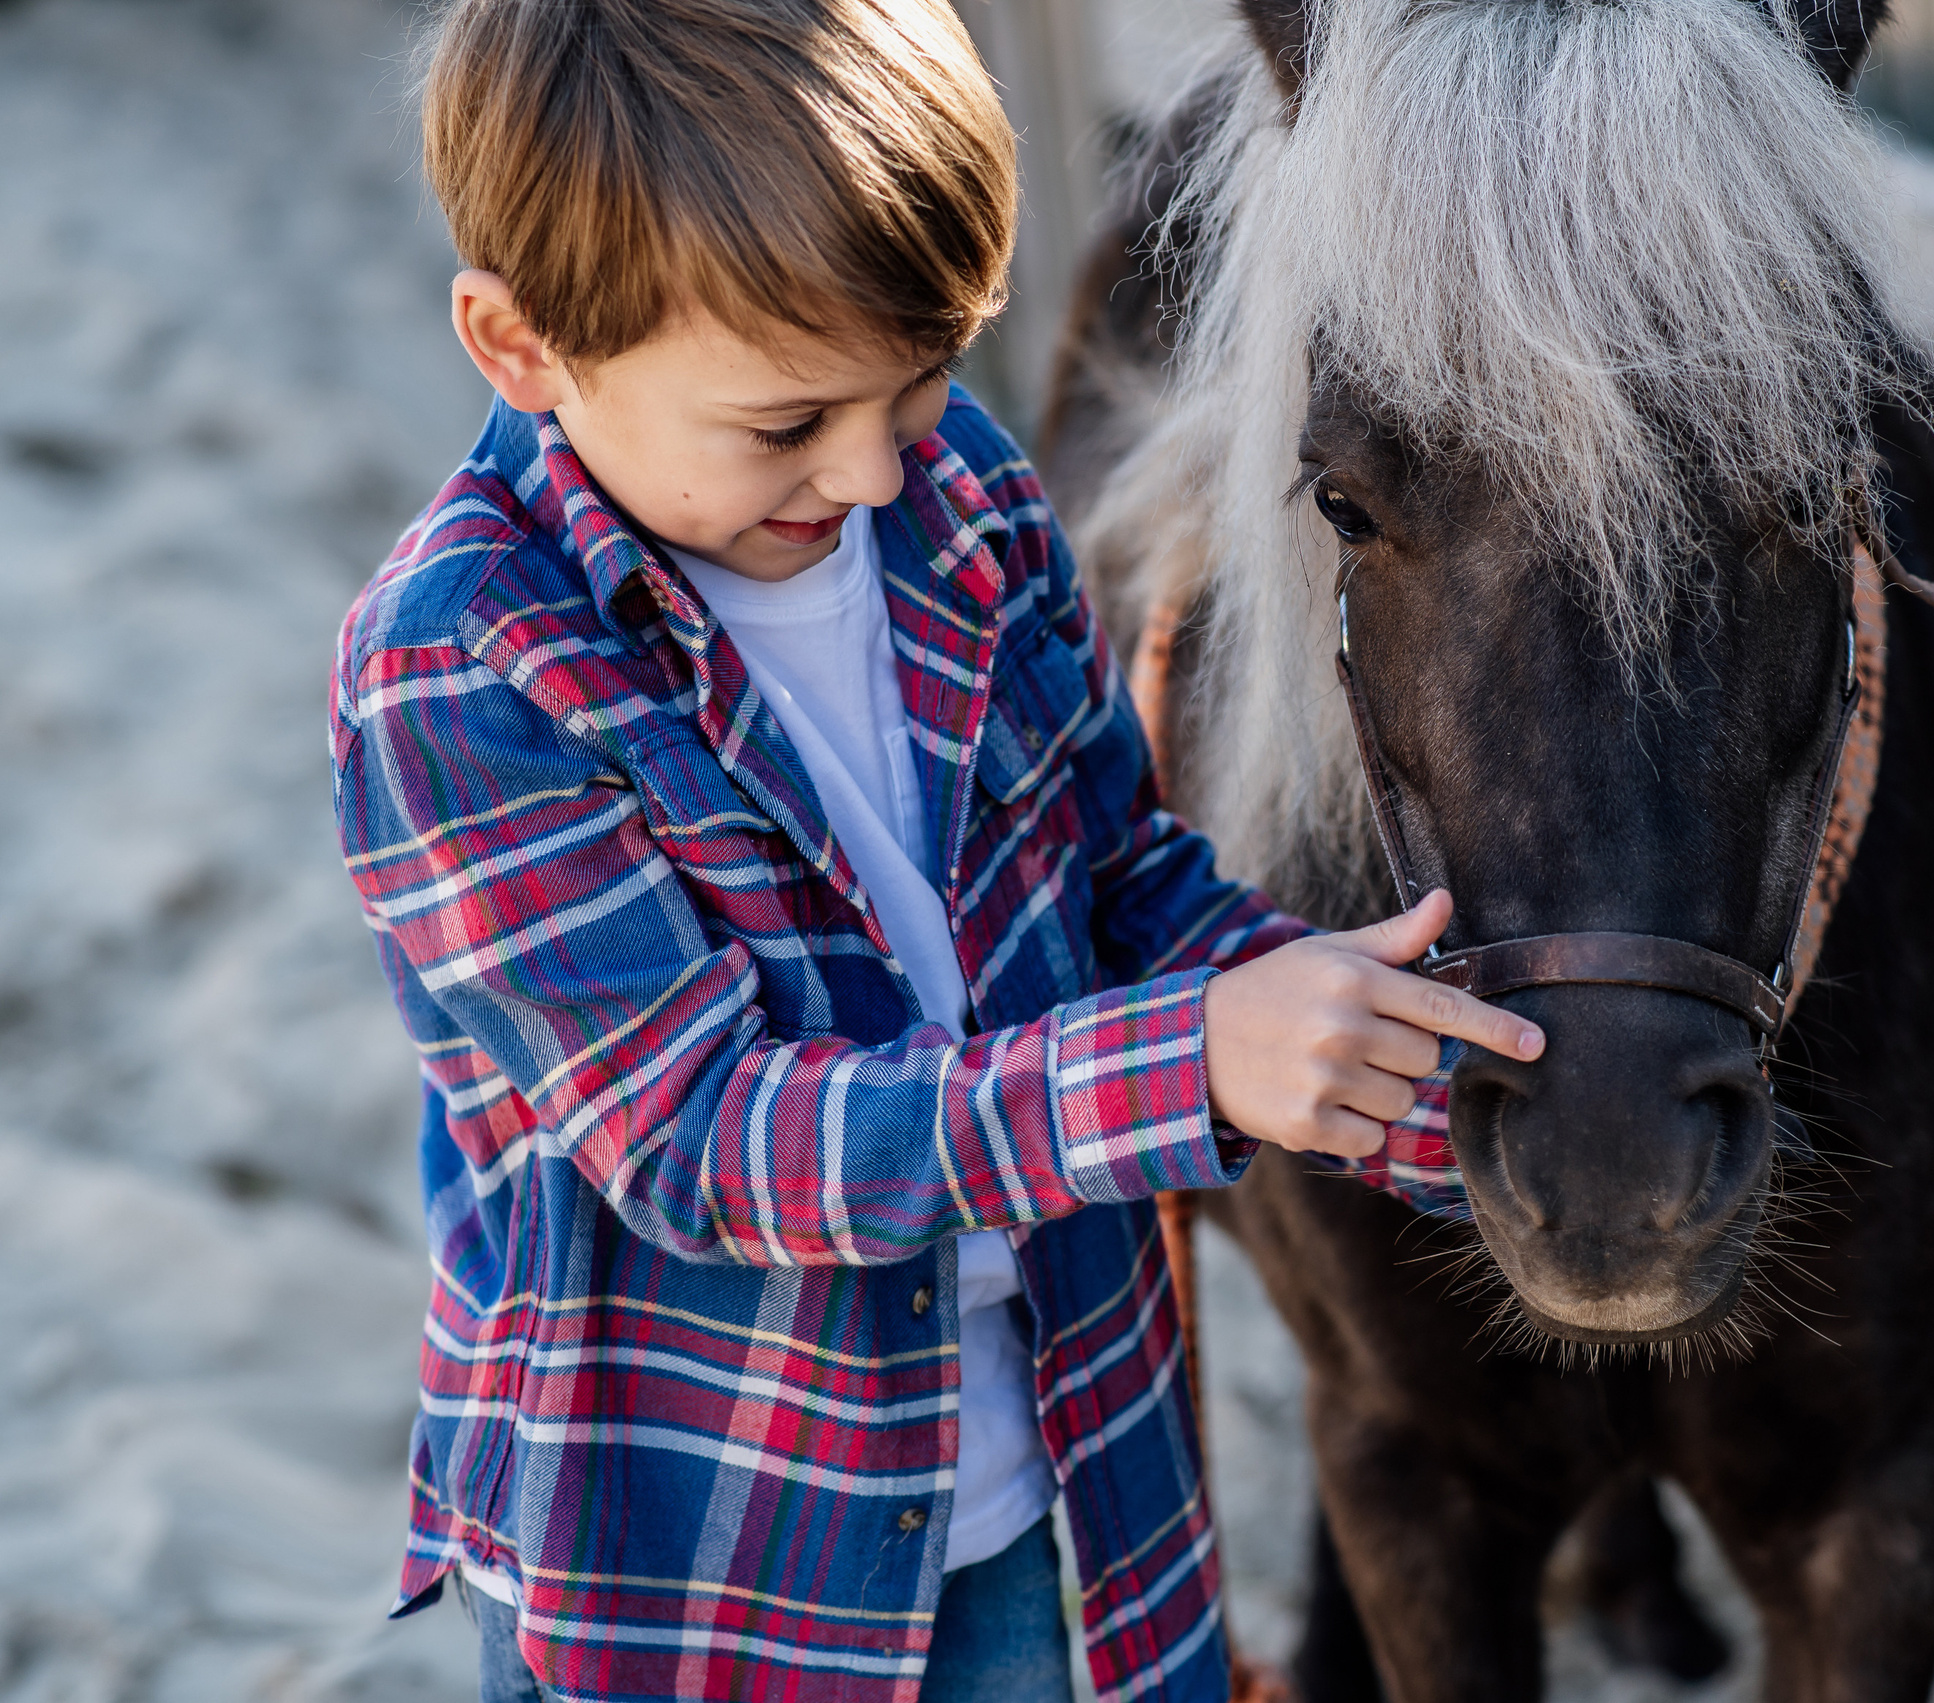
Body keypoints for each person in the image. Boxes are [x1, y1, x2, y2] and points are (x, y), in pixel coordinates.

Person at [328, 1, 1541, 1700]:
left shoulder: (955, 495)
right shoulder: (466, 666)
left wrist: (1355, 1039)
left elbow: (1114, 874)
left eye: (923, 379)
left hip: (1067, 1457)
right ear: (522, 348)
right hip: (715, 1556)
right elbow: (700, 1143)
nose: (872, 473)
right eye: (786, 424)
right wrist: (1188, 1063)